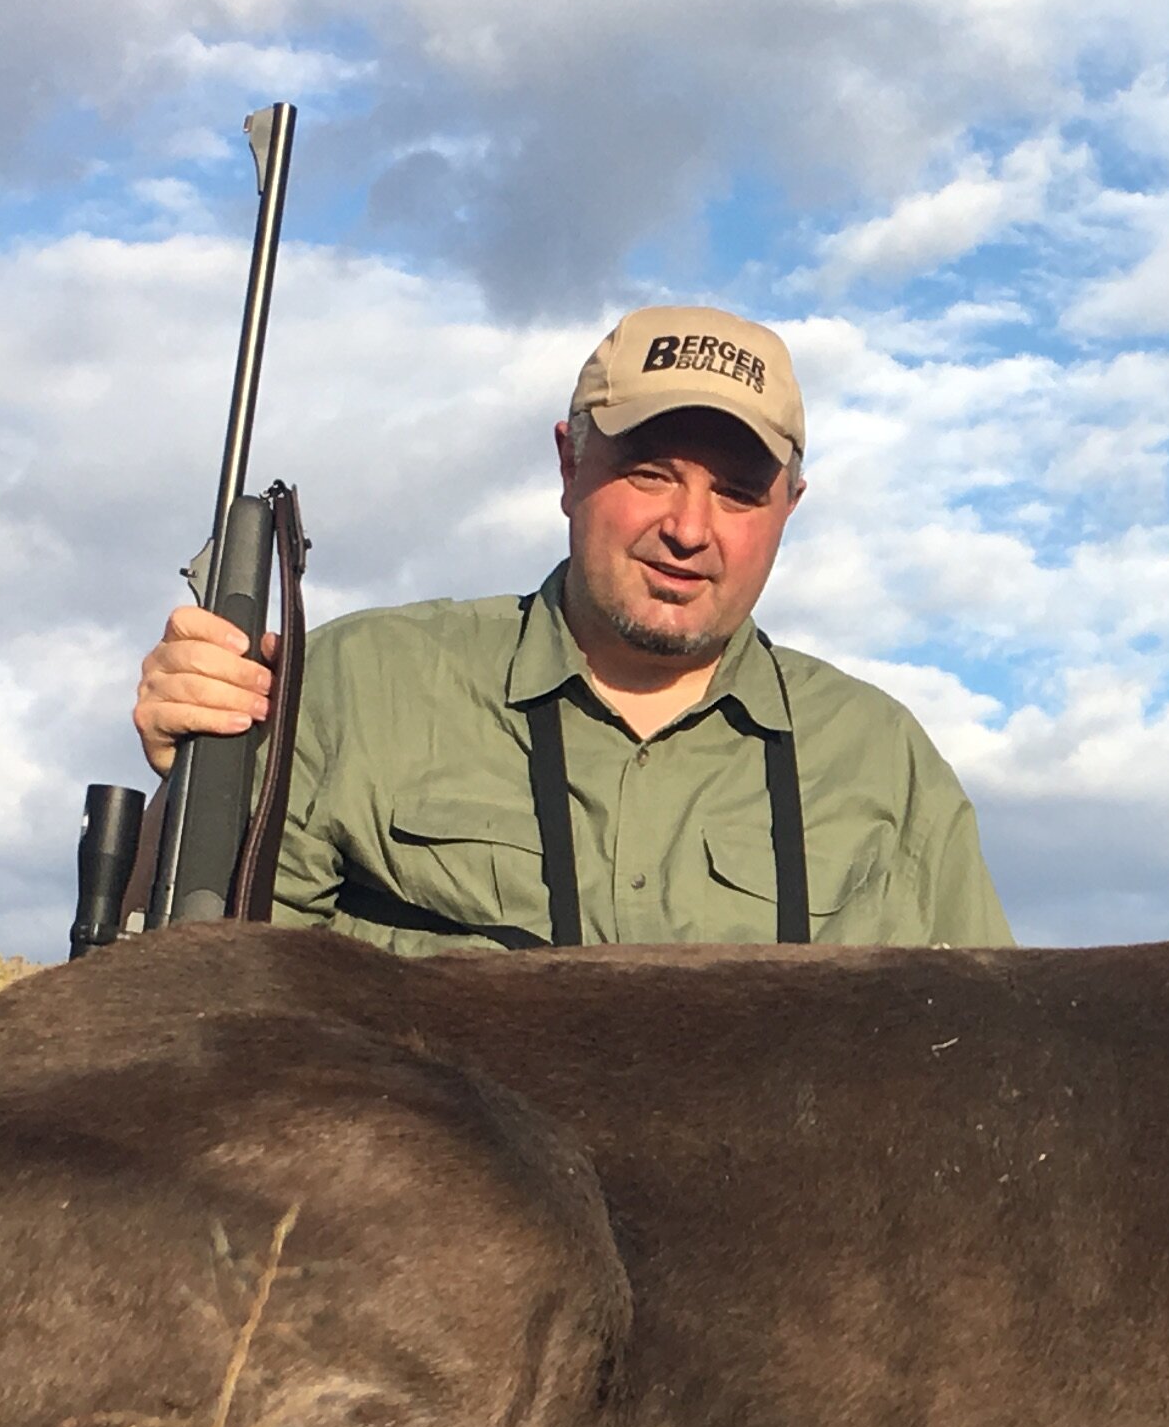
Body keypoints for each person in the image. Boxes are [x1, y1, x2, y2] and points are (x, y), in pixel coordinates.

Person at [133, 306, 1013, 954]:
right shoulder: (358, 688)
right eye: (651, 473)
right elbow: (196, 1006)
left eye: (740, 492)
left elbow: (996, 1078)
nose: (690, 528)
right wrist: (195, 779)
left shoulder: (884, 765)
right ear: (568, 462)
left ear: (791, 506)